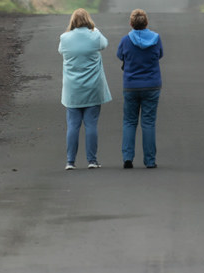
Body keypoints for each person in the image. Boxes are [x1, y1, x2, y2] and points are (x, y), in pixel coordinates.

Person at [58, 9, 111, 170]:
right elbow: (105, 44)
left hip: (72, 89)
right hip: (93, 87)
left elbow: (61, 51)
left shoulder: (64, 38)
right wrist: (95, 29)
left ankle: (70, 161)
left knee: (73, 125)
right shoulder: (94, 35)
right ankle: (92, 160)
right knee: (91, 125)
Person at [116, 9, 163, 169]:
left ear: (131, 24)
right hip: (152, 85)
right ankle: (150, 160)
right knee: (148, 122)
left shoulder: (125, 40)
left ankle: (127, 157)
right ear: (146, 23)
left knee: (129, 121)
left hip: (131, 86)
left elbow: (120, 55)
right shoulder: (156, 39)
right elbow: (160, 55)